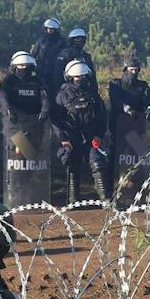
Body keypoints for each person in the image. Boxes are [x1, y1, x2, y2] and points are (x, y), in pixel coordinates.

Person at [51, 61, 108, 201]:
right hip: (72, 138)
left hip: (91, 137)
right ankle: (73, 201)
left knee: (97, 164)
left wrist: (99, 136)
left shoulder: (93, 95)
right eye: (76, 77)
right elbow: (56, 120)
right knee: (73, 167)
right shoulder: (62, 95)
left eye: (82, 77)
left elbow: (102, 116)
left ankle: (105, 200)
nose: (80, 80)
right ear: (70, 77)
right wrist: (64, 139)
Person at [107, 54, 150, 194]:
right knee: (118, 156)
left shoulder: (143, 85)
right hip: (119, 126)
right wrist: (127, 109)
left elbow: (148, 99)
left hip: (137, 125)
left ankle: (136, 185)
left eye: (136, 70)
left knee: (136, 154)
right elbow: (115, 100)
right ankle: (115, 185)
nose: (133, 72)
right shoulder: (116, 84)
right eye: (130, 69)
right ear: (125, 69)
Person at [30, 18, 66, 95]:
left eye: (52, 29)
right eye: (48, 29)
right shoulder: (41, 40)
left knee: (56, 91)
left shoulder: (62, 41)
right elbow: (33, 54)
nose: (50, 31)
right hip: (41, 72)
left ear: (56, 30)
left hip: (56, 71)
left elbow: (66, 56)